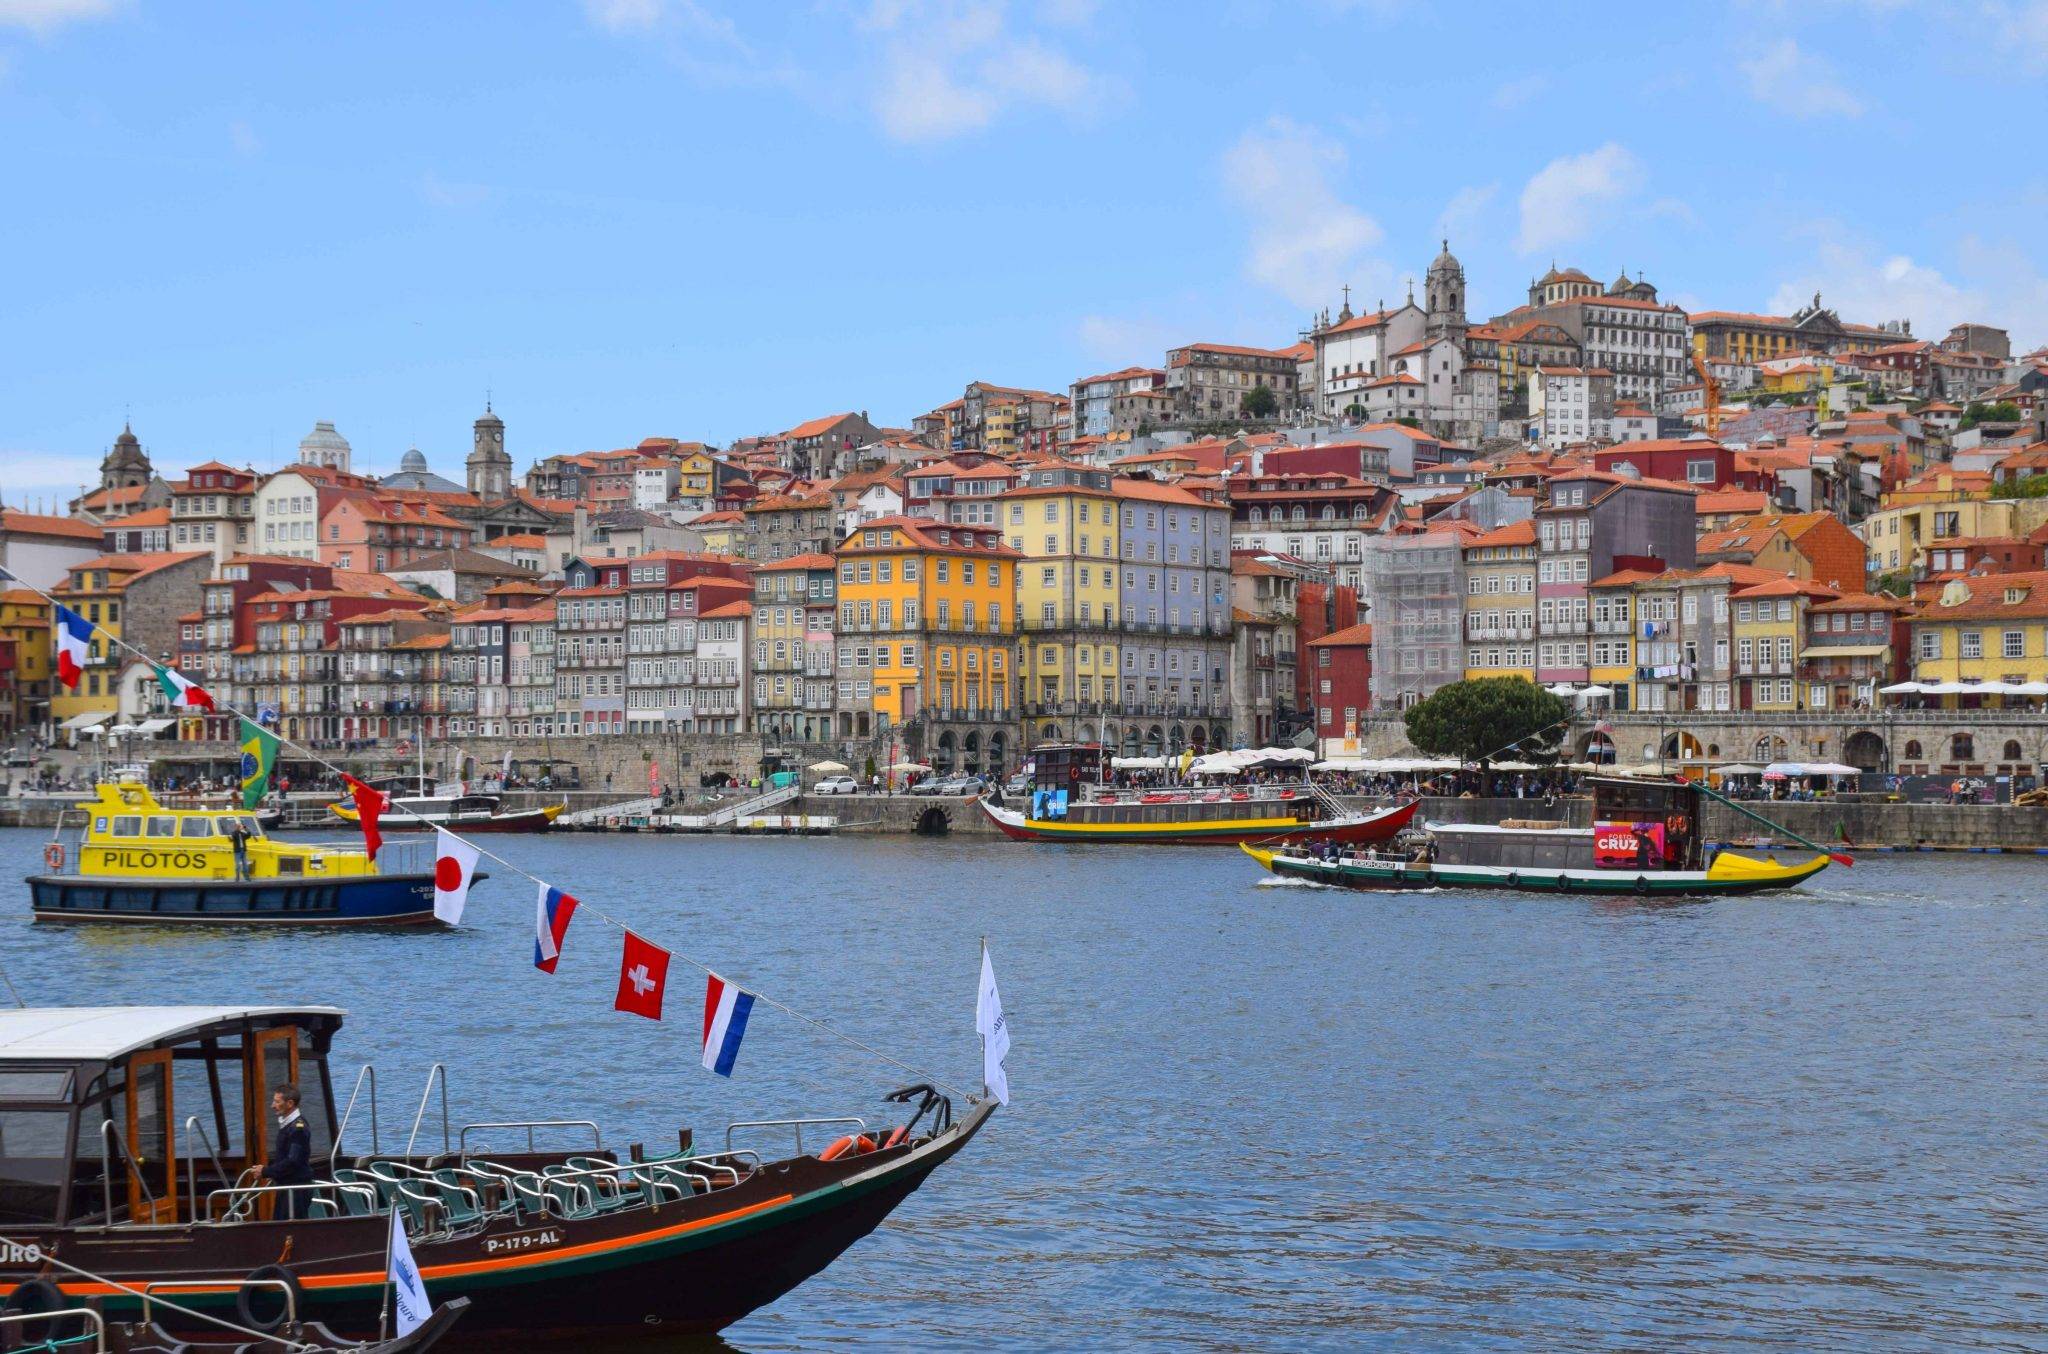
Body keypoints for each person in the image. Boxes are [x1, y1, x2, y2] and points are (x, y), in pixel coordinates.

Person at [260, 1084, 315, 1219]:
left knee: (292, 1230)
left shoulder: (298, 1128)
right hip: (286, 1186)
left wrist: (265, 1171)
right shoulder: (287, 1126)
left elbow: (293, 1161)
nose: (273, 1105)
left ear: (290, 1103)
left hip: (296, 1188)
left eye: (277, 1102)